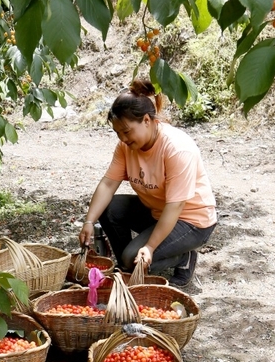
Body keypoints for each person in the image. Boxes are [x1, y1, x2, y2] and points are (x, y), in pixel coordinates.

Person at [79, 80, 217, 290]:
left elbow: (175, 206)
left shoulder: (177, 149)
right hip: (158, 213)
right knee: (108, 210)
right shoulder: (127, 146)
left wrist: (150, 247)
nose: (123, 139)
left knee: (131, 257)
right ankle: (129, 268)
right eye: (118, 133)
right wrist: (89, 221)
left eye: (126, 131)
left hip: (192, 221)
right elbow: (108, 184)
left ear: (146, 120)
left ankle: (183, 258)